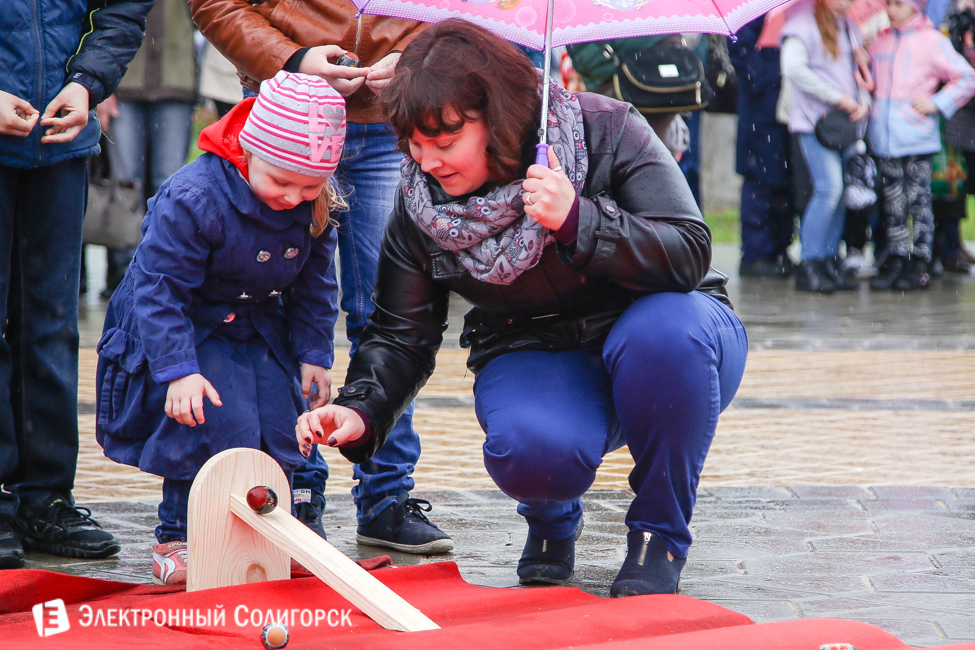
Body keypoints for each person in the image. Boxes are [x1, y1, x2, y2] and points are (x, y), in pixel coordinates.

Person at [295, 20, 748, 596]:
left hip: (668, 331)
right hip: (533, 344)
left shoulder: (606, 128)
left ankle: (658, 537)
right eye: (414, 144)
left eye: (446, 142)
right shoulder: (419, 204)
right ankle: (551, 520)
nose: (428, 162)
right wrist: (362, 408)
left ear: (498, 117)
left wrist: (580, 220)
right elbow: (401, 333)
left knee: (664, 335)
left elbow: (688, 250)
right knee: (533, 451)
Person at [189, 0, 453, 554]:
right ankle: (296, 492)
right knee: (270, 308)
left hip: (390, 117)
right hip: (283, 115)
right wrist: (291, 58)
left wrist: (417, 57)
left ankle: (385, 497)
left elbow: (462, 10)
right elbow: (215, 4)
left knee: (388, 313)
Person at [95, 72, 344, 585]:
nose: (293, 197)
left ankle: (285, 530)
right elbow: (159, 289)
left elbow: (316, 285)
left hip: (256, 321)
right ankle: (178, 535)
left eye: (309, 186)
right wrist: (178, 371)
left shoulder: (315, 203)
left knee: (282, 422)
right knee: (209, 420)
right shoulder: (194, 196)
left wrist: (314, 353)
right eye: (281, 182)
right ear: (250, 151)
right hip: (185, 325)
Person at [0, 0, 151, 570]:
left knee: (52, 326)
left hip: (61, 140)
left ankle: (45, 497)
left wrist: (88, 82)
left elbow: (123, 10)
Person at [867, 0, 975, 289]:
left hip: (916, 137)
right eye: (888, 4)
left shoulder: (931, 40)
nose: (891, 10)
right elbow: (871, 80)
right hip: (885, 137)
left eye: (898, 4)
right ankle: (897, 258)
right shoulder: (880, 40)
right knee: (893, 202)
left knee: (918, 201)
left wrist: (938, 102)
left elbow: (966, 76)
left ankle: (920, 261)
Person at [103, 0, 199, 298]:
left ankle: (165, 267)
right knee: (125, 183)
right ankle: (124, 274)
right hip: (123, 85)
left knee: (169, 184)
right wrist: (101, 87)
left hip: (176, 84)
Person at [781, 0, 870, 292]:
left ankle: (829, 260)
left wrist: (863, 101)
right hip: (815, 123)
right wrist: (835, 97)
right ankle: (810, 262)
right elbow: (793, 69)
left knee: (841, 192)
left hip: (845, 124)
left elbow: (855, 76)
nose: (846, 3)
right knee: (828, 190)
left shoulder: (849, 26)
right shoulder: (801, 24)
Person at [731, 16, 797, 278]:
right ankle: (757, 252)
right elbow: (739, 44)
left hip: (787, 103)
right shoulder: (754, 11)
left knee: (786, 182)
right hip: (762, 107)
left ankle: (779, 249)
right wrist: (765, 76)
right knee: (760, 181)